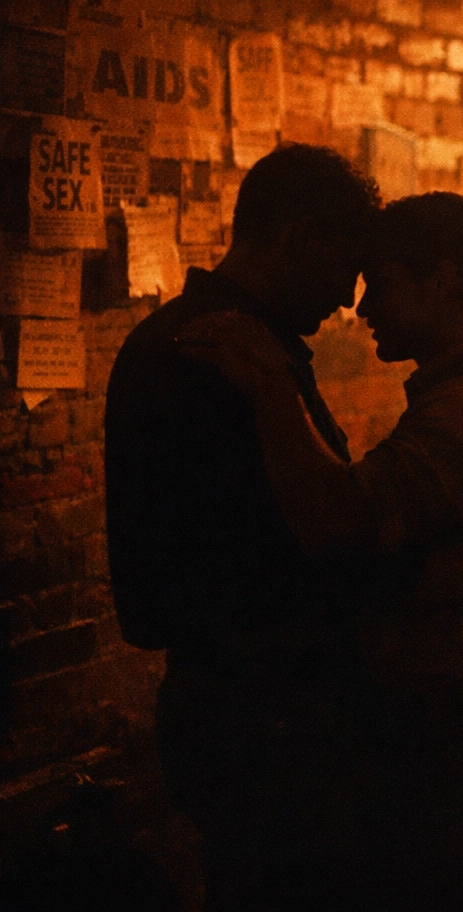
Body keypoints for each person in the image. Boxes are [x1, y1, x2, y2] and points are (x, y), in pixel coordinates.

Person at [178, 192, 463, 911]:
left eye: (382, 282)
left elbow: (342, 531)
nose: (362, 307)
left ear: (442, 281)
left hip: (455, 746)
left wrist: (270, 385)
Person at [105, 144, 382, 911]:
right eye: (346, 265)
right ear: (300, 239)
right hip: (265, 721)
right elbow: (294, 541)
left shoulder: (196, 341)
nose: (350, 298)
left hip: (242, 709)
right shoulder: (222, 357)